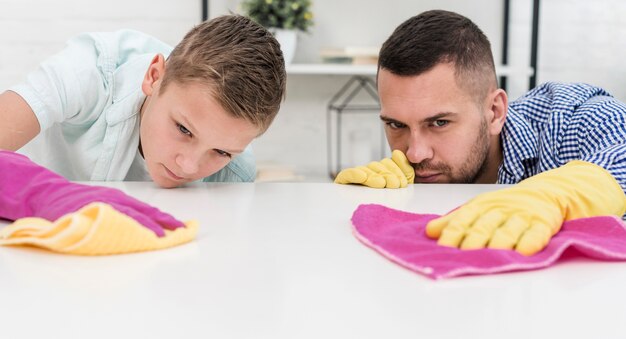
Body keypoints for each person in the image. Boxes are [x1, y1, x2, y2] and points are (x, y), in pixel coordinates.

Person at [335, 10, 626, 255]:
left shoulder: (566, 120)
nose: (415, 153)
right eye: (396, 125)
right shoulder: (414, 164)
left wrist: (555, 196)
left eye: (439, 123)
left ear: (495, 112)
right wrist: (384, 203)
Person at [0, 15, 285, 235]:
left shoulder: (236, 172)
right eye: (184, 130)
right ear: (154, 76)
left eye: (221, 152)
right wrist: (48, 196)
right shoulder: (90, 71)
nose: (188, 166)